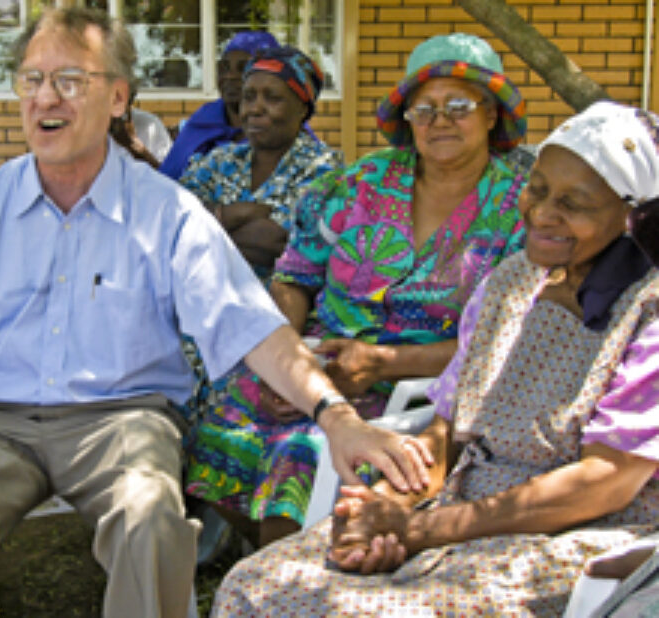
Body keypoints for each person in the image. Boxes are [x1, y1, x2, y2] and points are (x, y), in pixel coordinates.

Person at [0, 8, 430, 618]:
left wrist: (336, 415)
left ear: (117, 97)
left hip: (123, 419)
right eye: (31, 80)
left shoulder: (169, 212)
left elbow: (251, 325)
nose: (44, 99)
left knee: (153, 521)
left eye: (69, 79)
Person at [209, 100, 659, 616]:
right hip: (455, 511)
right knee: (255, 585)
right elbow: (445, 433)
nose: (541, 212)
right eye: (536, 189)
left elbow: (604, 484)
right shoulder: (511, 283)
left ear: (632, 216)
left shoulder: (647, 310)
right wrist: (386, 508)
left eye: (573, 204)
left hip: (569, 536)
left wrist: (421, 530)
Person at [185, 33, 528, 548]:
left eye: (459, 105)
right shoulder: (364, 180)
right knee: (218, 422)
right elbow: (294, 275)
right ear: (407, 118)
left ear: (492, 114)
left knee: (300, 452)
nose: (440, 120)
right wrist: (293, 362)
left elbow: (502, 342)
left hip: (417, 380)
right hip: (319, 358)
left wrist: (381, 364)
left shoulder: (518, 209)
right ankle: (270, 558)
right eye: (424, 108)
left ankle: (289, 573)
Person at [180, 45, 342, 280]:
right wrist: (231, 215)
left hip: (281, 312)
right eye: (248, 97)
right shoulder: (221, 159)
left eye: (273, 98)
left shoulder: (324, 168)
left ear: (302, 109)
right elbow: (172, 217)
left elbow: (273, 243)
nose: (255, 109)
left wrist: (203, 226)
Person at [158, 30, 280, 180]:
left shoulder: (286, 132)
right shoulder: (202, 122)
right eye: (224, 68)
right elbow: (167, 181)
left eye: (243, 68)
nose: (230, 76)